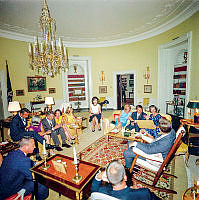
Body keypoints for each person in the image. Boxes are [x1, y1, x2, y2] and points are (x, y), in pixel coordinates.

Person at [91, 160, 161, 200]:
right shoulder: (144, 193)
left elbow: (94, 188)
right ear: (125, 177)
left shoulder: (99, 191)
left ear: (107, 180)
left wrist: (100, 175)